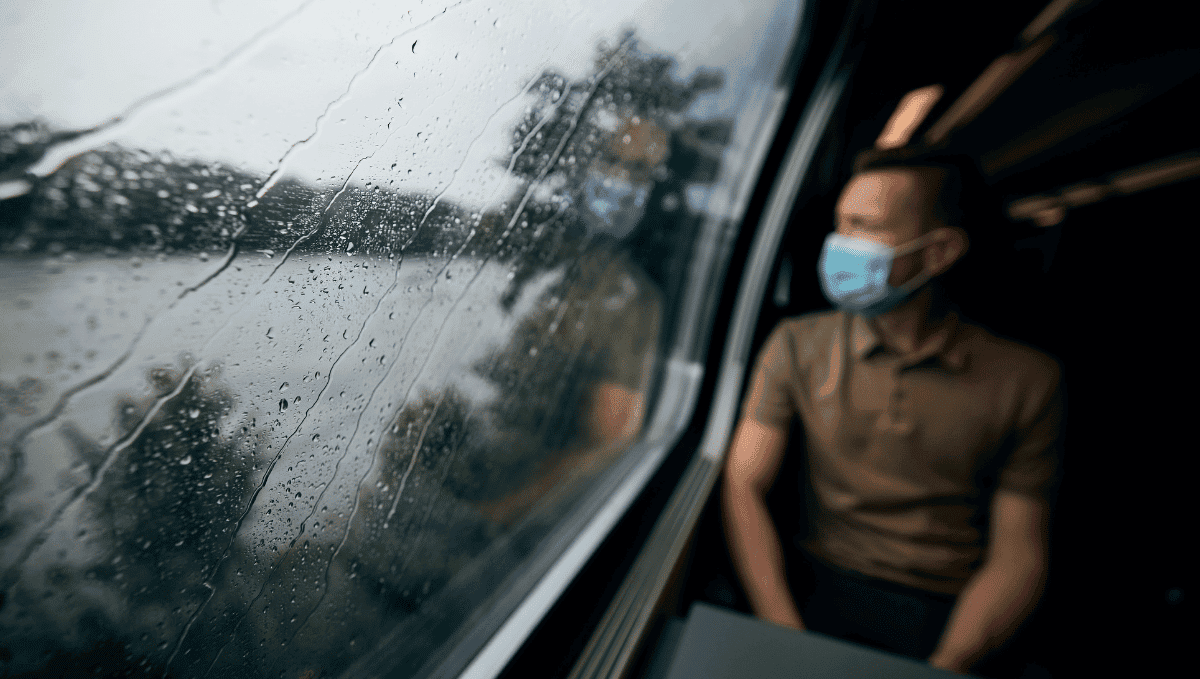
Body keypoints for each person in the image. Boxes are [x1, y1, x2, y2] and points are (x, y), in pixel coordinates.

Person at [722, 144, 1063, 677]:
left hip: (947, 609)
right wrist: (782, 634)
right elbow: (743, 484)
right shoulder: (795, 345)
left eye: (865, 227)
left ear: (939, 252)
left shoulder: (1029, 381)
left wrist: (944, 665)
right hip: (815, 582)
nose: (838, 245)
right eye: (840, 224)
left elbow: (1019, 554)